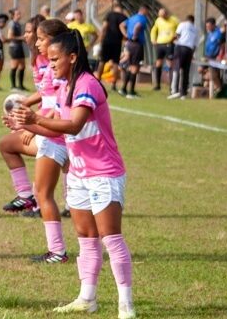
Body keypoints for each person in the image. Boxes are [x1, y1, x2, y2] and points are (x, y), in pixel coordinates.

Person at [13, 30, 135, 319]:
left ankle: (126, 305)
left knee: (110, 238)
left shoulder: (87, 84)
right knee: (86, 237)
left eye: (55, 59)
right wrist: (25, 125)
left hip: (103, 173)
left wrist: (35, 118)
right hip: (79, 174)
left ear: (73, 57)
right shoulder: (66, 86)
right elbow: (57, 128)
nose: (50, 64)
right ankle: (87, 298)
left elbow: (75, 125)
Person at [0, 18, 72, 263]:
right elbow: (51, 103)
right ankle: (59, 249)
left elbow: (57, 110)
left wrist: (32, 123)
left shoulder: (63, 72)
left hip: (57, 137)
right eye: (34, 35)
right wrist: (26, 119)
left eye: (39, 37)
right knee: (8, 145)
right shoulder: (55, 67)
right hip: (53, 134)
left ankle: (58, 252)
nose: (34, 40)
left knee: (44, 193)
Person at [95, 1, 126, 91]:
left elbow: (104, 27)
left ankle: (98, 81)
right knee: (116, 63)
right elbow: (124, 32)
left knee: (102, 61)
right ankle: (114, 84)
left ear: (114, 7)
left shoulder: (110, 14)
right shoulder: (124, 17)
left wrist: (100, 41)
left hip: (107, 41)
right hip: (117, 42)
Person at [119, 6, 149, 98]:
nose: (147, 13)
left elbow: (121, 25)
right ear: (144, 10)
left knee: (130, 67)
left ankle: (123, 89)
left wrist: (126, 35)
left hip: (129, 44)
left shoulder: (132, 17)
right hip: (136, 44)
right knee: (135, 67)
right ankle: (131, 92)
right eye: (147, 11)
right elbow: (138, 26)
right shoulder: (142, 18)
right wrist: (134, 36)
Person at [168, 15, 198, 99]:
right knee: (186, 71)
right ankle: (183, 93)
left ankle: (174, 90)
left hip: (180, 47)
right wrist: (192, 54)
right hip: (189, 50)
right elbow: (195, 44)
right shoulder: (195, 29)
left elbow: (176, 35)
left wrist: (170, 42)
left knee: (176, 69)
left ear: (186, 19)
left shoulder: (182, 24)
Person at [149, 8, 179, 91]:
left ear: (166, 14)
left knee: (170, 64)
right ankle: (157, 85)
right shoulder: (158, 20)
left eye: (163, 16)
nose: (162, 18)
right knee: (158, 64)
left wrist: (175, 37)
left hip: (169, 44)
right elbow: (153, 30)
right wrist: (153, 39)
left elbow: (179, 30)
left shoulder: (174, 20)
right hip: (160, 44)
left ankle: (171, 86)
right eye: (160, 16)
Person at [8, 8, 27, 91]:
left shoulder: (18, 24)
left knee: (23, 66)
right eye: (17, 14)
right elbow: (10, 37)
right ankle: (13, 86)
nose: (19, 15)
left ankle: (21, 85)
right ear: (13, 16)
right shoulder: (12, 24)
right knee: (14, 66)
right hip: (14, 47)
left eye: (20, 13)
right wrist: (22, 38)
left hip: (19, 47)